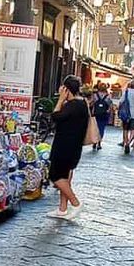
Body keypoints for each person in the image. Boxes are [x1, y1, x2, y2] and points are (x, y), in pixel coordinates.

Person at [48, 75, 90, 219]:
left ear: (66, 89)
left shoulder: (72, 106)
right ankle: (62, 208)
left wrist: (60, 100)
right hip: (73, 147)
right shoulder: (82, 104)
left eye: (62, 87)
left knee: (55, 176)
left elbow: (55, 116)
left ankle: (75, 202)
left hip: (64, 147)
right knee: (64, 177)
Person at [91, 82, 112, 151]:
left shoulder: (95, 95)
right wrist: (108, 111)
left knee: (95, 128)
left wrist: (92, 112)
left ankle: (94, 142)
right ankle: (99, 143)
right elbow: (110, 106)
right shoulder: (108, 96)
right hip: (104, 114)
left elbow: (92, 103)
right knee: (101, 128)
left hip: (96, 114)